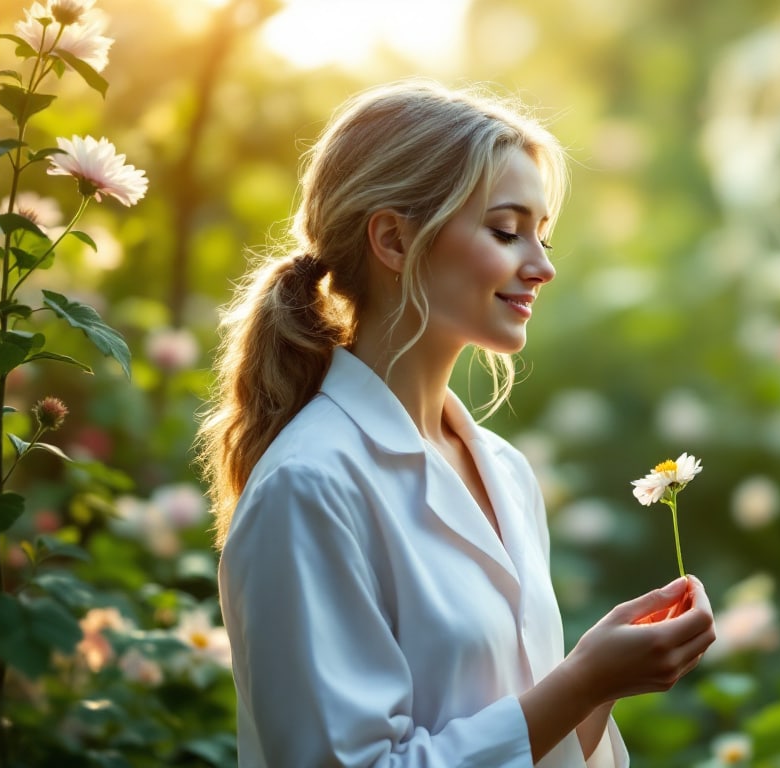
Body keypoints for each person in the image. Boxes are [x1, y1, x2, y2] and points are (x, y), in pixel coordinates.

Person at [196, 80, 716, 767]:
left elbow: (532, 742)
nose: (543, 266)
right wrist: (583, 679)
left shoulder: (502, 470)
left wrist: (599, 687)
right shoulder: (309, 486)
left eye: (543, 234)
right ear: (393, 239)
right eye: (506, 231)